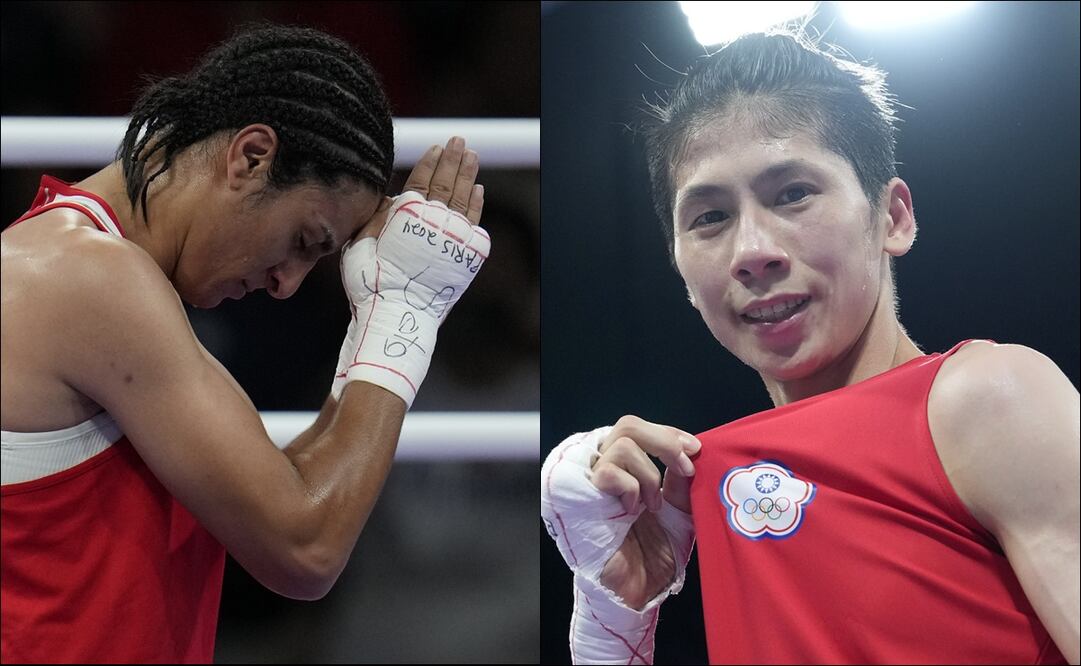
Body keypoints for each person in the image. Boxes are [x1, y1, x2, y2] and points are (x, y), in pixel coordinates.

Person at [541, 29, 1079, 664]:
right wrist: (612, 614)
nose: (751, 254)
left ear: (894, 217)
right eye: (710, 217)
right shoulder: (714, 488)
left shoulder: (990, 398)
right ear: (682, 273)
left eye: (793, 193)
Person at [1, 22, 490, 663]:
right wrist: (406, 312)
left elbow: (288, 487)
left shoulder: (98, 273)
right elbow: (306, 548)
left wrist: (376, 319)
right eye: (304, 241)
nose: (287, 284)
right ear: (251, 156)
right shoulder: (91, 279)